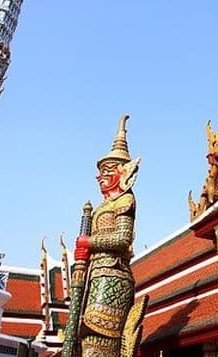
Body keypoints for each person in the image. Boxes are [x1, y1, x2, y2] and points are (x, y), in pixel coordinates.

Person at [74, 115, 140, 356]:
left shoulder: (125, 199)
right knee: (84, 340)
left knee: (99, 340)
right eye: (100, 171)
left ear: (123, 173)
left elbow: (123, 238)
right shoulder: (101, 207)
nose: (99, 176)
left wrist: (88, 242)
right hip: (93, 273)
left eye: (106, 170)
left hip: (112, 275)